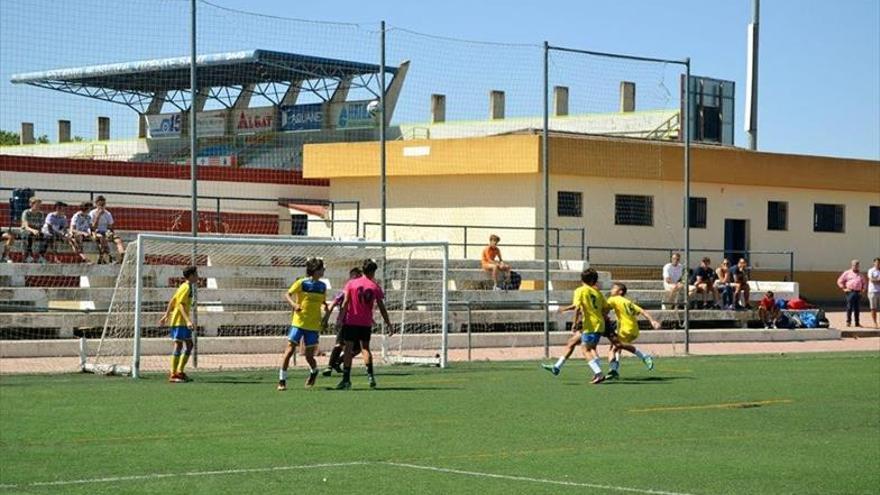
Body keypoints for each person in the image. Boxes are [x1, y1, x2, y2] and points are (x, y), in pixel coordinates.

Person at [336, 259, 392, 390]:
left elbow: (345, 303)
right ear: (372, 272)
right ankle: (371, 376)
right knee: (365, 348)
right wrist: (388, 322)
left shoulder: (351, 283)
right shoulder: (374, 286)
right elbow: (382, 307)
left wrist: (340, 319)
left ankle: (346, 379)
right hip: (365, 323)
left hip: (351, 321)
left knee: (348, 349)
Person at [548, 268, 608, 384]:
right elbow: (605, 308)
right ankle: (558, 366)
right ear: (594, 281)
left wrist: (574, 324)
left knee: (586, 349)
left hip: (589, 325)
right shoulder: (598, 293)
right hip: (599, 324)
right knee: (583, 346)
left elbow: (577, 307)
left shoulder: (580, 290)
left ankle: (599, 373)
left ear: (582, 278)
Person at [277, 258, 327, 391]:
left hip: (313, 325)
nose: (324, 270)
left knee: (309, 356)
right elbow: (287, 294)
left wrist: (326, 313)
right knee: (289, 350)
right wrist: (294, 304)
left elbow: (322, 302)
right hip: (298, 322)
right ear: (315, 270)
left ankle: (314, 371)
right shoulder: (301, 283)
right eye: (322, 268)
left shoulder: (322, 286)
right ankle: (282, 380)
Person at [604, 282, 660, 379]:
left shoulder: (613, 299)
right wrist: (652, 321)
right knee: (617, 348)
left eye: (614, 288)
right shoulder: (627, 302)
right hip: (633, 329)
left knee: (613, 348)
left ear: (620, 291)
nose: (611, 290)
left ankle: (644, 356)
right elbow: (642, 311)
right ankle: (614, 371)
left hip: (625, 329)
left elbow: (604, 309)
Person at [159, 265, 198, 383]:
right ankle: (173, 373)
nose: (198, 276)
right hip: (179, 321)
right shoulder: (186, 287)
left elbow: (172, 300)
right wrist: (187, 320)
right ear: (191, 276)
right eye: (196, 274)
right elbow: (179, 304)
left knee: (189, 345)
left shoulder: (186, 286)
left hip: (181, 321)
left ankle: (180, 372)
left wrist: (166, 315)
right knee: (179, 345)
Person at [321, 267, 363, 377]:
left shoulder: (359, 292)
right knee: (340, 344)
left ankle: (338, 362)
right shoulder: (344, 291)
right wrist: (326, 318)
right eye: (357, 277)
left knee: (358, 348)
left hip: (356, 323)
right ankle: (329, 367)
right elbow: (333, 304)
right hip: (344, 322)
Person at [89, 196, 125, 264]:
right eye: (101, 205)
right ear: (96, 204)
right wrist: (98, 216)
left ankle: (122, 254)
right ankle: (108, 257)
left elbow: (110, 226)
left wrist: (111, 233)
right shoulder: (92, 213)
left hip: (106, 231)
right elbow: (92, 227)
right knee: (102, 239)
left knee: (118, 240)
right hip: (97, 232)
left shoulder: (108, 214)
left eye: (104, 204)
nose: (102, 206)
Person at [837, 259, 866, 327]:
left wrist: (863, 290)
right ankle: (848, 322)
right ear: (852, 265)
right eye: (854, 265)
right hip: (850, 292)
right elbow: (840, 280)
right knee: (849, 307)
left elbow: (864, 283)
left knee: (857, 308)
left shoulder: (860, 275)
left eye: (857, 265)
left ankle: (857, 323)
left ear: (858, 266)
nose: (855, 266)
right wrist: (844, 288)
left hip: (858, 292)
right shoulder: (847, 273)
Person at [20, 197, 46, 263]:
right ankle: (29, 255)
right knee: (29, 235)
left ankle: (41, 256)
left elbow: (41, 225)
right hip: (27, 230)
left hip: (36, 230)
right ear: (31, 204)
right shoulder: (26, 212)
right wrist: (33, 230)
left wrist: (39, 230)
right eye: (37, 205)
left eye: (39, 205)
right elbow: (26, 226)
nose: (38, 207)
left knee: (45, 236)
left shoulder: (40, 214)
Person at [869, 258, 880, 329]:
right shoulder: (871, 270)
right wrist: (877, 280)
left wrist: (876, 280)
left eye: (879, 263)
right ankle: (875, 322)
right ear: (874, 263)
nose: (878, 264)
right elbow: (871, 280)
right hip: (873, 291)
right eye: (877, 263)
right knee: (873, 308)